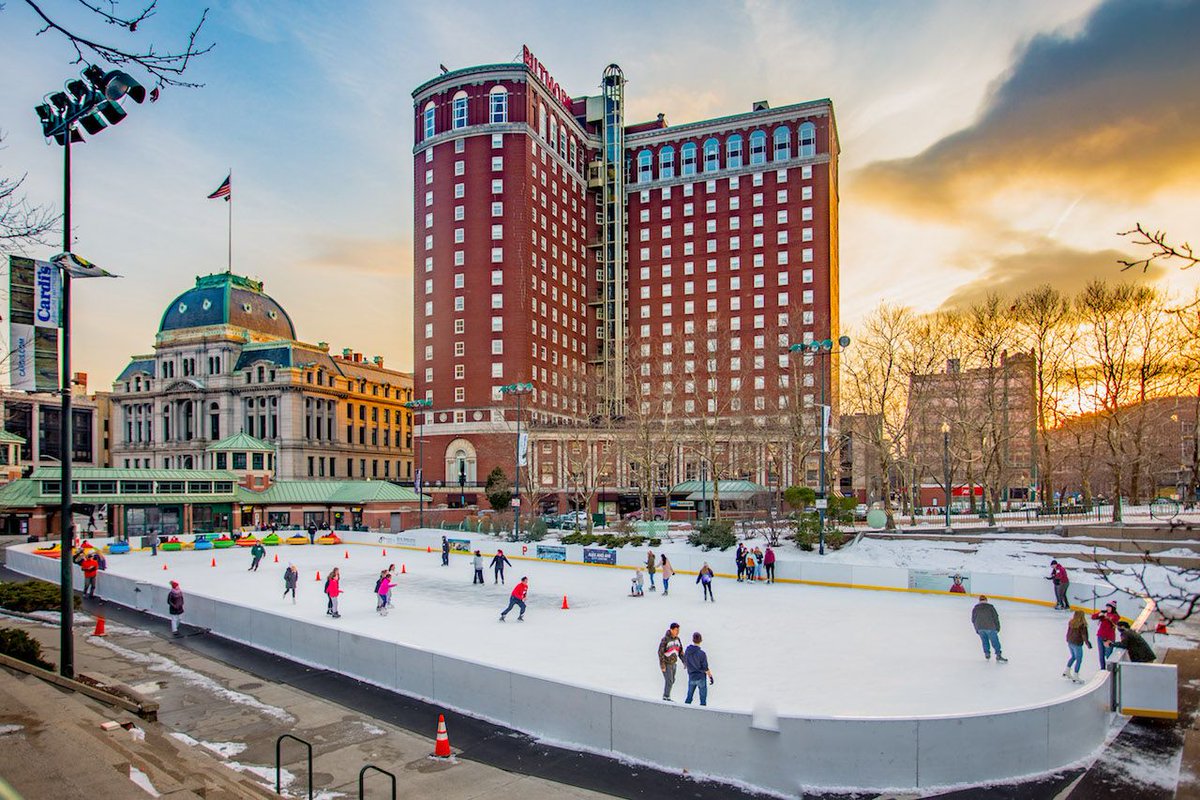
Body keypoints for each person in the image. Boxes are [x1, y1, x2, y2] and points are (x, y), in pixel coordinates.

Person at [971, 595, 1007, 662]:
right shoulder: (990, 607)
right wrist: (998, 627)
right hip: (990, 627)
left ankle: (987, 653)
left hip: (980, 628)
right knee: (995, 641)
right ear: (986, 600)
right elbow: (995, 617)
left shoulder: (975, 608)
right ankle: (998, 655)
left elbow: (973, 619)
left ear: (979, 600)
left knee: (984, 641)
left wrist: (977, 629)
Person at [683, 632, 713, 706]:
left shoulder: (687, 651)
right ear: (701, 640)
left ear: (693, 640)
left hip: (691, 677)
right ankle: (703, 715)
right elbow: (705, 667)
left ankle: (684, 711)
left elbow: (685, 661)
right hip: (701, 678)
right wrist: (711, 677)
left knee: (689, 697)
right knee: (703, 700)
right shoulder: (702, 654)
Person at [1064, 610, 1092, 682]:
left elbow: (1068, 632)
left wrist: (1067, 639)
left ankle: (1067, 671)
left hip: (1070, 642)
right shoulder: (1082, 625)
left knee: (1073, 657)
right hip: (1077, 643)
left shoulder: (1071, 622)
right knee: (1079, 659)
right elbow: (1084, 636)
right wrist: (1087, 643)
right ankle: (1075, 675)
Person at [657, 623, 684, 701]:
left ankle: (667, 696)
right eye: (676, 630)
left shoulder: (677, 639)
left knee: (672, 680)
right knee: (669, 681)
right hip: (666, 663)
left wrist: (684, 661)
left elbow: (680, 651)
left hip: (674, 663)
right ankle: (666, 697)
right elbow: (660, 652)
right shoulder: (665, 639)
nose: (678, 632)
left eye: (678, 630)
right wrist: (662, 665)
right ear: (671, 630)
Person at [1092, 602, 1119, 668]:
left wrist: (1105, 616)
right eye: (1107, 607)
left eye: (1109, 607)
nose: (1107, 608)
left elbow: (1113, 619)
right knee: (1101, 654)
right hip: (1100, 635)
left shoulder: (1115, 615)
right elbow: (1093, 617)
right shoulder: (1104, 613)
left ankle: (1109, 669)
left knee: (1108, 655)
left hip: (1109, 638)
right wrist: (1099, 614)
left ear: (1113, 608)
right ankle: (1102, 668)